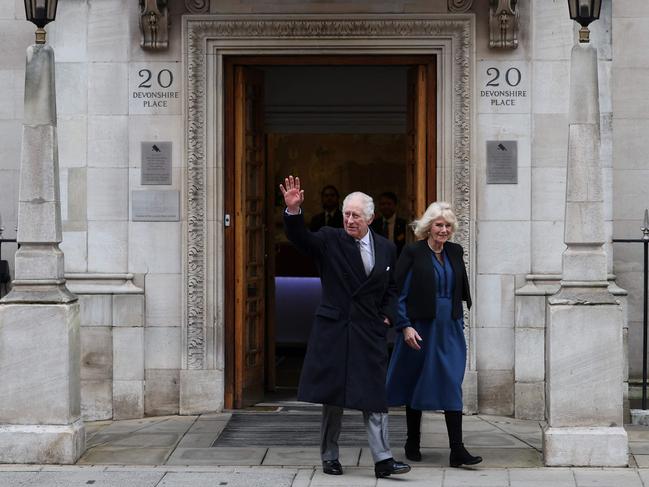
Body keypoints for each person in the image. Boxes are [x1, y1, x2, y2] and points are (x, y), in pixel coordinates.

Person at [280, 175, 411, 479]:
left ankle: (383, 459)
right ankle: (330, 456)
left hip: (369, 330)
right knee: (333, 396)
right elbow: (302, 240)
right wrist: (293, 212)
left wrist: (389, 315)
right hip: (335, 328)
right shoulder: (329, 239)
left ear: (370, 217)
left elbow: (392, 288)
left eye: (356, 215)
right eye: (346, 214)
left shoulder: (387, 248)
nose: (350, 220)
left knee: (374, 395)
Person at [385, 201, 482, 468]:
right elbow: (399, 293)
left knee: (451, 382)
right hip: (420, 326)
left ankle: (457, 449)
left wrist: (459, 322)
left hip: (448, 327)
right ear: (428, 227)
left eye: (448, 226)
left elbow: (457, 291)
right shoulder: (413, 252)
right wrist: (404, 326)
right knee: (415, 380)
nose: (443, 230)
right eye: (439, 225)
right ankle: (412, 441)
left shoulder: (455, 251)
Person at [370, 191, 408, 256]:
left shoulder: (403, 224)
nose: (386, 207)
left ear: (395, 205)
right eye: (383, 204)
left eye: (389, 204)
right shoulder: (373, 224)